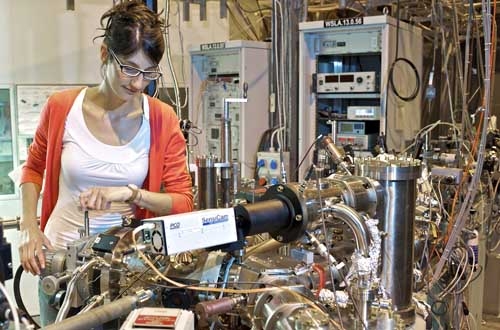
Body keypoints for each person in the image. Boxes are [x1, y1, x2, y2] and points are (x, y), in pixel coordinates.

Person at [18, 1, 193, 325]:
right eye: (128, 68)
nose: (138, 84)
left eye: (148, 72)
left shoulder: (161, 118)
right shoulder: (62, 108)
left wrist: (131, 194)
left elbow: (183, 203)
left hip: (126, 271)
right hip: (61, 266)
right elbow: (33, 168)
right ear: (104, 55)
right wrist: (29, 227)